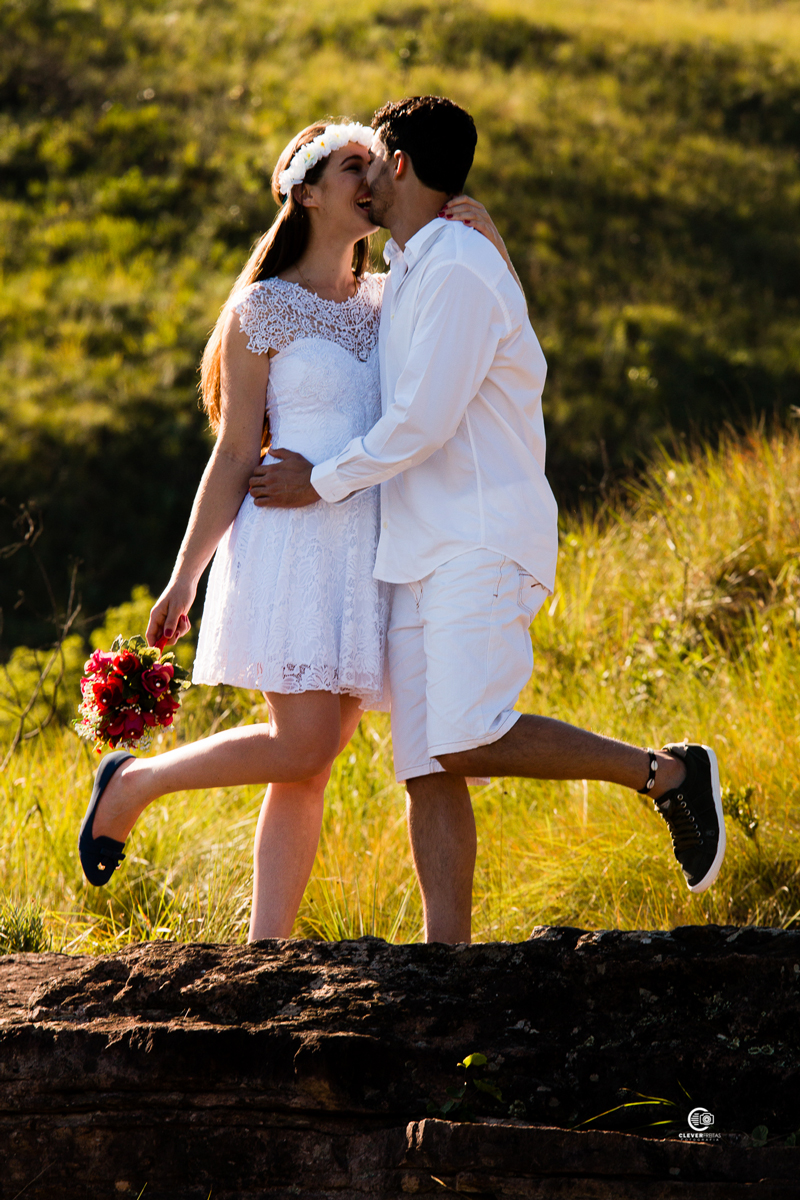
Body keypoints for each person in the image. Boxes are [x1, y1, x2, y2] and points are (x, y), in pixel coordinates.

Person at [248, 95, 726, 945]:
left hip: (477, 534)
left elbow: (424, 421)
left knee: (466, 736)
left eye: (371, 160)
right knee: (427, 767)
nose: (362, 178)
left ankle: (668, 774)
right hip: (416, 548)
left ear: (398, 164)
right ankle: (448, 964)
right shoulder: (424, 266)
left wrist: (319, 482)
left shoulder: (461, 268)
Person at [77, 116, 509, 940]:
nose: (370, 180)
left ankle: (266, 948)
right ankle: (132, 785)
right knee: (304, 745)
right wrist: (183, 576)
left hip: (371, 549)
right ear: (307, 193)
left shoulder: (394, 295)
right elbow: (236, 452)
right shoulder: (262, 310)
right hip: (291, 545)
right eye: (352, 167)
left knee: (311, 761)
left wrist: (480, 229)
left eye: (375, 166)